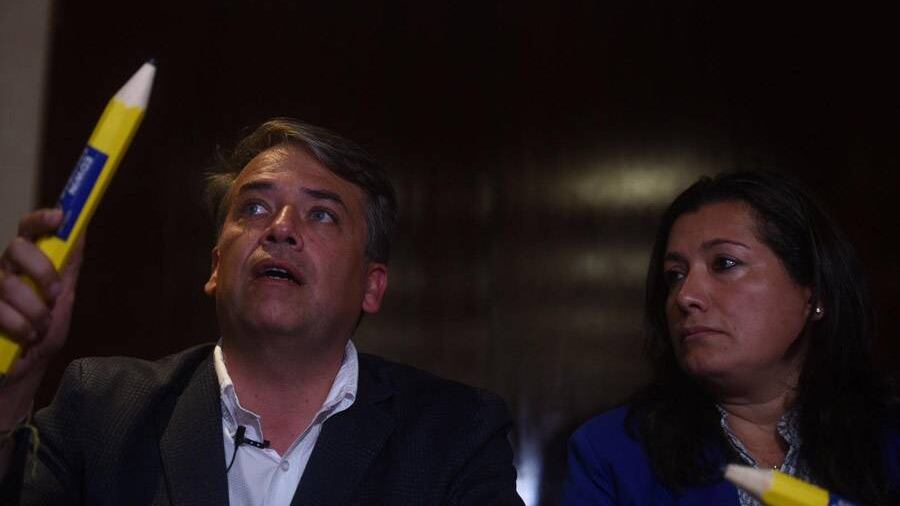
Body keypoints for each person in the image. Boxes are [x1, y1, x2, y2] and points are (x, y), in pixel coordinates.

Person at [0, 118, 523, 505]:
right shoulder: (102, 409)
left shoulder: (456, 435)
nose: (281, 228)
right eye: (254, 207)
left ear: (372, 285)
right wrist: (12, 382)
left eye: (322, 214)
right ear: (215, 267)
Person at [563, 171, 900, 504]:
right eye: (675, 275)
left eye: (724, 263)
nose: (685, 296)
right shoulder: (611, 452)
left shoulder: (889, 436)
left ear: (814, 295)